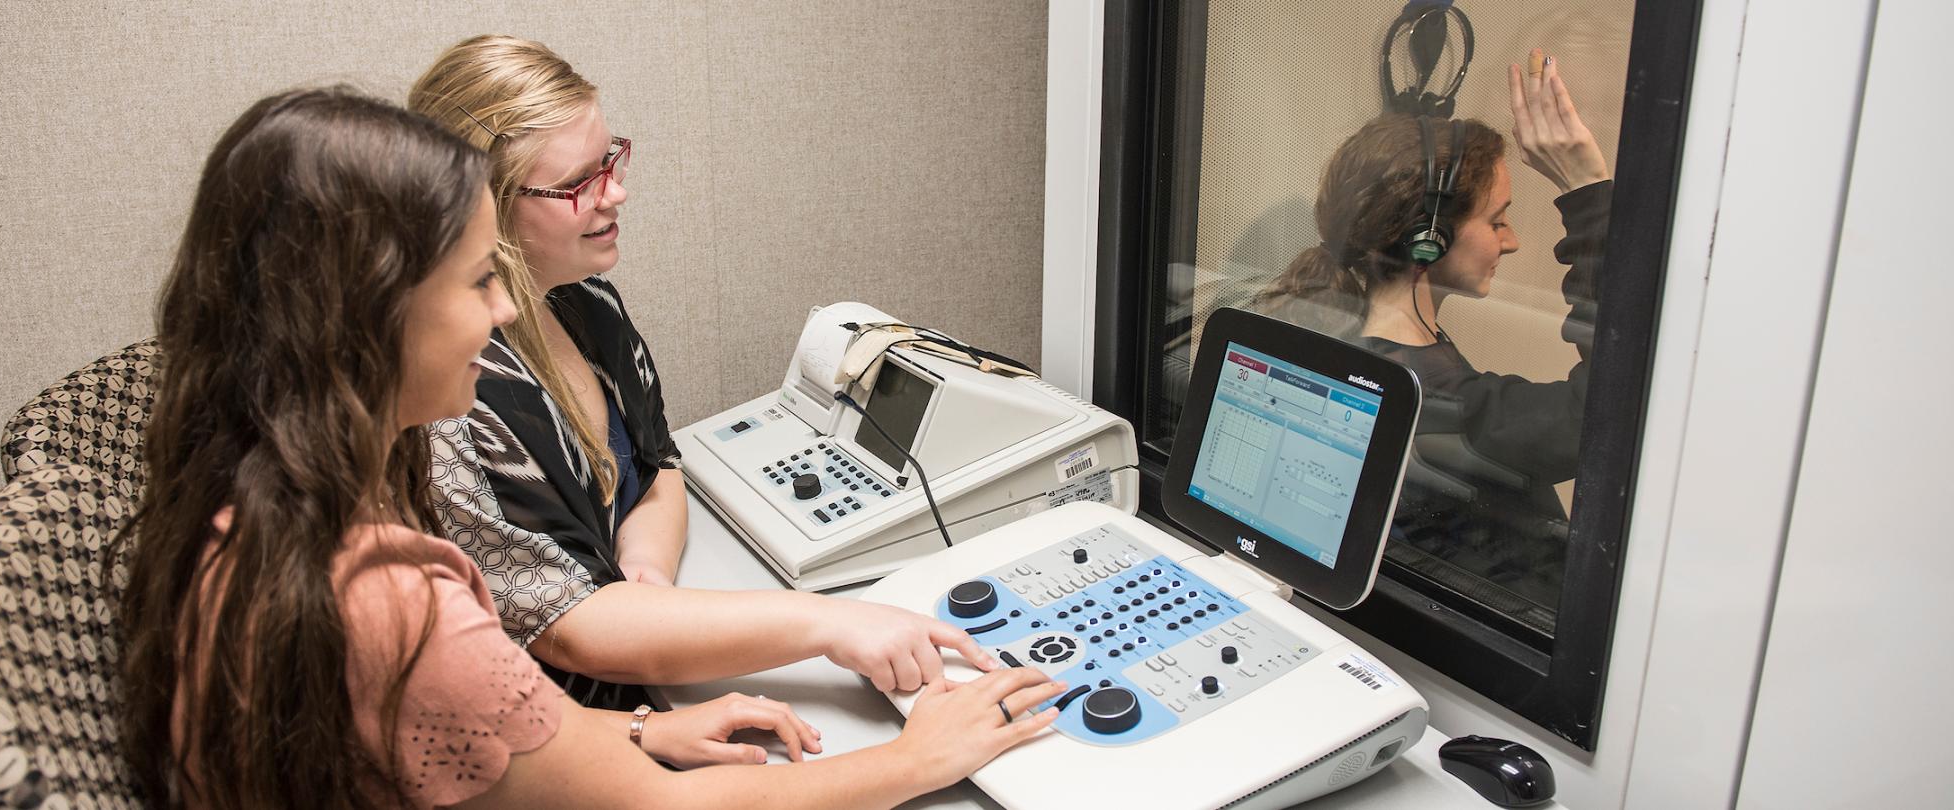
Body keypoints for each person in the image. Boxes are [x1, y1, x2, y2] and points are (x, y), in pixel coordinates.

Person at [114, 86, 1064, 810]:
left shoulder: (240, 504)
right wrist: (912, 759)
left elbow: (476, 732)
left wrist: (639, 729)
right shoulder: (389, 606)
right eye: (481, 280)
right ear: (372, 312)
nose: (501, 310)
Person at [407, 35, 993, 711]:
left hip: (645, 670)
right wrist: (830, 623)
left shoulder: (583, 299)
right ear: (482, 205)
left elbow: (660, 465)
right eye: (578, 183)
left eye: (611, 161)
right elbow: (569, 627)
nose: (616, 192)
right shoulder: (453, 384)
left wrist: (647, 574)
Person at [1249, 52, 1611, 615]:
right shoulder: (1442, 406)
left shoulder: (1332, 341)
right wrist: (1589, 192)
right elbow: (1612, 412)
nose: (1511, 241)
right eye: (1496, 221)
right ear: (1429, 238)